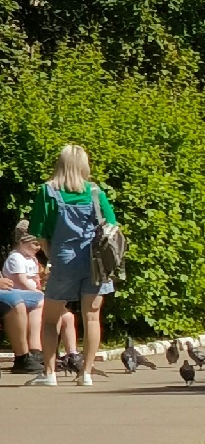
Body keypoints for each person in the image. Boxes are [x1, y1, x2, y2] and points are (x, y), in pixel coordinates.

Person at [26, 144, 118, 387]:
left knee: (50, 318)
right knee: (92, 318)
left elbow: (40, 231)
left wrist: (51, 254)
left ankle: (50, 373)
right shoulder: (95, 191)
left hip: (64, 257)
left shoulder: (48, 191)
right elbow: (111, 225)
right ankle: (86, 373)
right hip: (95, 261)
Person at [3, 223, 43, 374]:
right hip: (10, 291)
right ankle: (22, 357)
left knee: (40, 299)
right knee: (15, 301)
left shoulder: (31, 259)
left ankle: (35, 350)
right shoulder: (15, 257)